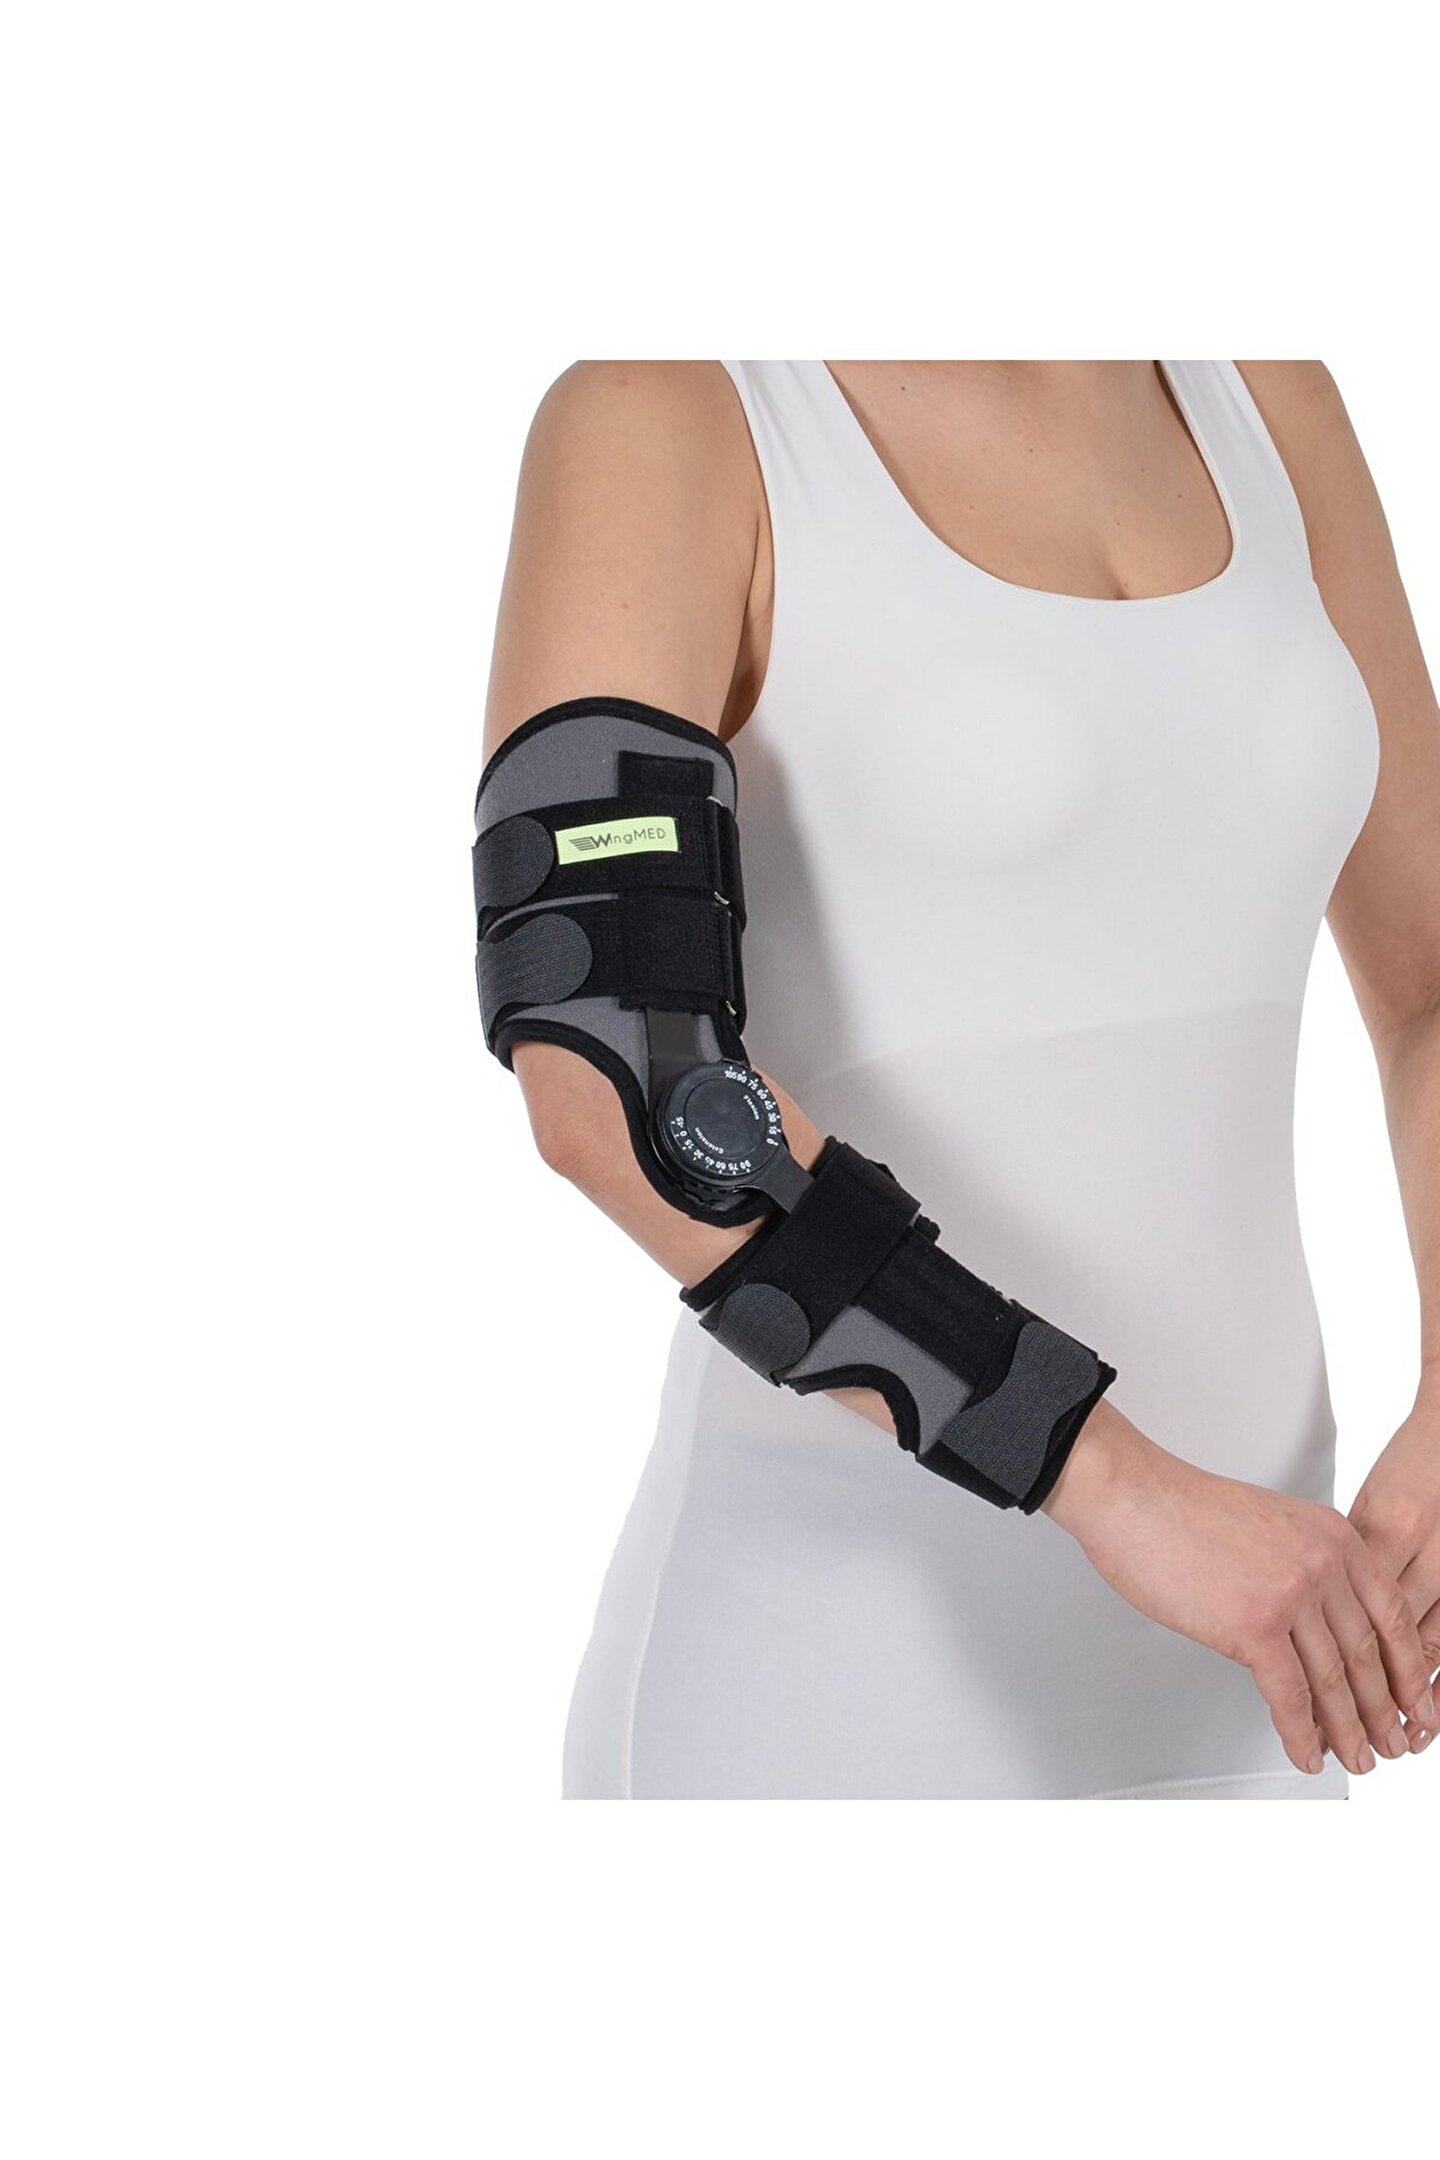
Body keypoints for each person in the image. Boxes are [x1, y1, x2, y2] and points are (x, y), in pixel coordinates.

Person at [480, 360, 1440, 1799]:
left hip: (1281, 1652)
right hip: (832, 1678)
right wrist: (1119, 1486)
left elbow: (1429, 984)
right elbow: (622, 1072)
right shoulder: (673, 410)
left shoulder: (1265, 390)